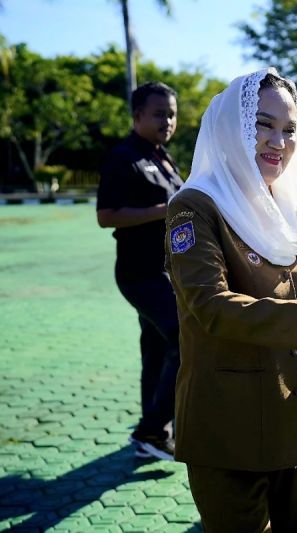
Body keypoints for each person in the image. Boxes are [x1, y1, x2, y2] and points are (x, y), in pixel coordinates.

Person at [164, 69, 297, 533]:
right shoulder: (196, 207)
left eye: (289, 129)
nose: (277, 142)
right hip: (229, 427)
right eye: (262, 124)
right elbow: (211, 306)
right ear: (232, 127)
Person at [96, 82, 183, 460]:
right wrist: (162, 211)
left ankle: (155, 436)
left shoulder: (163, 157)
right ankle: (151, 429)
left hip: (168, 271)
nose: (168, 121)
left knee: (157, 349)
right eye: (159, 114)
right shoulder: (123, 157)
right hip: (140, 273)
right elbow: (106, 215)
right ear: (137, 116)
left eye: (172, 114)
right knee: (186, 336)